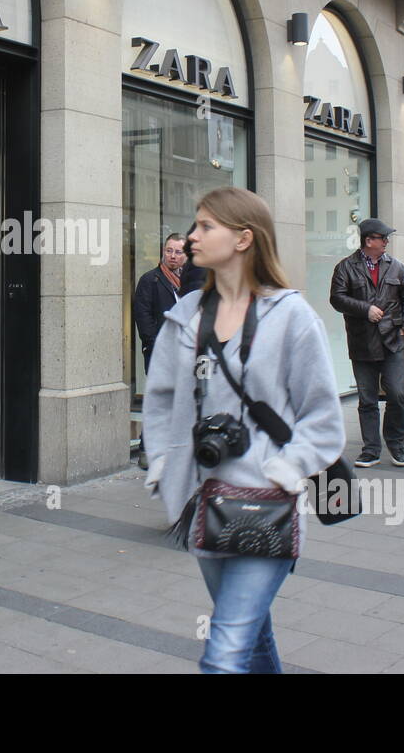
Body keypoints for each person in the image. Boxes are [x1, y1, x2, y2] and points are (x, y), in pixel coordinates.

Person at [143, 187, 344, 674]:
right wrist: (163, 459)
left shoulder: (293, 316)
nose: (192, 236)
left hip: (267, 502)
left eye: (206, 226)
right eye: (195, 225)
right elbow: (163, 397)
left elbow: (322, 415)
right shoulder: (186, 314)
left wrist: (289, 467)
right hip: (203, 501)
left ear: (243, 238)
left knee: (225, 652)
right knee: (250, 636)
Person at [329, 218, 404, 468]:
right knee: (367, 400)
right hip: (363, 342)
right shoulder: (346, 267)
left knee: (398, 395)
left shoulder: (396, 266)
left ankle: (396, 444)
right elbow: (337, 298)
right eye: (383, 238)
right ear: (369, 240)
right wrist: (365, 309)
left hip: (392, 341)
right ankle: (371, 449)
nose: (387, 242)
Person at [133, 234, 186, 373]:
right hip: (160, 351)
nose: (172, 256)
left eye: (178, 252)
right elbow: (143, 316)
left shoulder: (192, 282)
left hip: (186, 350)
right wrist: (155, 344)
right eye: (169, 251)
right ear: (163, 251)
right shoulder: (149, 279)